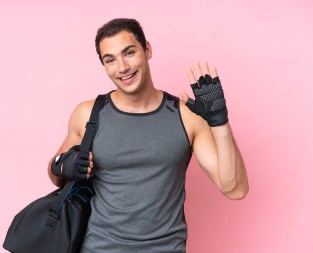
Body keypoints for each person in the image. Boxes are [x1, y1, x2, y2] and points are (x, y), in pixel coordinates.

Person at [48, 18, 249, 253]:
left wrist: (219, 123)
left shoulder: (186, 115)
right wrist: (64, 166)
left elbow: (235, 189)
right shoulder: (88, 114)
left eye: (129, 52)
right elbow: (55, 174)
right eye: (110, 60)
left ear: (147, 50)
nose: (122, 67)